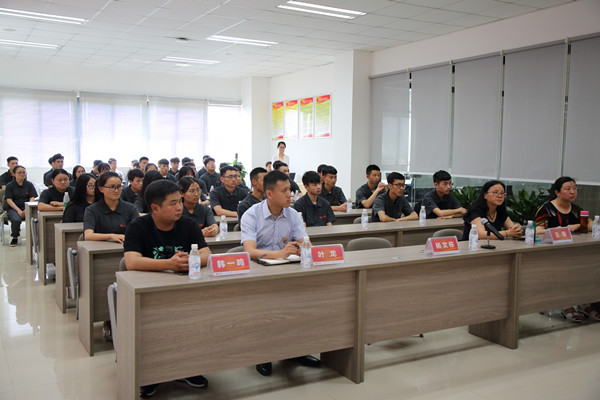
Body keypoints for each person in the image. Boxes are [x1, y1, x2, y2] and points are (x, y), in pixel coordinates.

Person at [123, 179, 211, 398]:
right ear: (155, 208)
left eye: (180, 201)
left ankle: (187, 368)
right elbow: (131, 262)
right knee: (153, 326)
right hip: (148, 293)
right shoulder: (138, 227)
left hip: (185, 290)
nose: (180, 207)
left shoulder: (189, 225)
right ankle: (149, 374)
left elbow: (206, 254)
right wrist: (169, 264)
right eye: (173, 203)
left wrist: (190, 260)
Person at [240, 170, 320, 376]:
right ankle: (263, 355)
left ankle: (296, 351)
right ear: (269, 193)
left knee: (297, 308)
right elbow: (249, 251)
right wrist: (281, 253)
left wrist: (304, 248)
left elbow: (306, 243)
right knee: (266, 314)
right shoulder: (251, 215)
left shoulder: (292, 214)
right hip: (258, 274)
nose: (289, 195)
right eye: (284, 191)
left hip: (287, 271)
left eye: (289, 190)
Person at [534, 176, 598, 322]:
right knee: (565, 270)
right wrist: (559, 230)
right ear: (557, 192)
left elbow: (591, 224)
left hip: (575, 251)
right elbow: (536, 230)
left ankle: (584, 303)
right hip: (552, 252)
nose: (572, 192)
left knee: (587, 268)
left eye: (574, 188)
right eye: (568, 189)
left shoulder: (577, 209)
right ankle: (565, 305)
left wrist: (577, 225)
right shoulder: (546, 209)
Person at [83, 171, 139, 243]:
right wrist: (111, 236)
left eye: (119, 186)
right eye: (112, 187)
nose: (116, 190)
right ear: (101, 189)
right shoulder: (91, 210)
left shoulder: (131, 208)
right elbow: (88, 235)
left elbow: (139, 232)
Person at [4, 165, 37, 246]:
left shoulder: (29, 184)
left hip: (27, 207)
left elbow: (32, 197)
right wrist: (18, 210)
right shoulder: (9, 185)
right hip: (13, 208)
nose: (22, 174)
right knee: (16, 220)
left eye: (23, 172)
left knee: (36, 218)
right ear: (14, 174)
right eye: (19, 173)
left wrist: (27, 208)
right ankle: (15, 237)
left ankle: (35, 238)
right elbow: (9, 200)